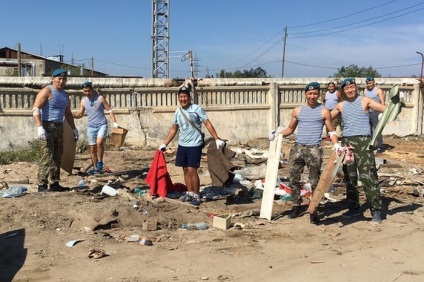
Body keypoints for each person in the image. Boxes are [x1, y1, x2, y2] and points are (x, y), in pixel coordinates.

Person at [269, 82, 342, 224]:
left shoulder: (324, 111)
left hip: (314, 149)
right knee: (293, 179)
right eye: (310, 93)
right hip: (298, 148)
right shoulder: (298, 110)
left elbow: (331, 131)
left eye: (315, 93)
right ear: (305, 94)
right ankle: (296, 205)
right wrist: (277, 134)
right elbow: (290, 129)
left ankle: (314, 210)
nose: (312, 96)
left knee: (315, 181)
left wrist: (336, 144)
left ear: (319, 95)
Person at [331, 78, 386, 224]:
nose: (349, 90)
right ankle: (353, 207)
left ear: (356, 87)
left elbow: (384, 109)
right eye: (346, 88)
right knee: (349, 176)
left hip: (364, 142)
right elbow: (327, 118)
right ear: (343, 91)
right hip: (347, 143)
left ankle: (376, 209)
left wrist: (394, 105)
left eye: (352, 87)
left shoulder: (365, 101)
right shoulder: (341, 105)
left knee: (368, 175)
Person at [159, 84, 225, 206]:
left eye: (185, 96)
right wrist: (164, 144)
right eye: (181, 97)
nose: (183, 99)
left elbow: (207, 123)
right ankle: (189, 193)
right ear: (178, 98)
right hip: (182, 145)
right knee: (184, 170)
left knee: (192, 170)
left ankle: (196, 195)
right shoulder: (178, 112)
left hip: (195, 145)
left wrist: (216, 138)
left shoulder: (196, 109)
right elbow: (174, 129)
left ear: (189, 98)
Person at [32, 68, 79, 192]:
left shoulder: (65, 94)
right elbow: (36, 109)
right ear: (53, 79)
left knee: (58, 156)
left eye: (64, 79)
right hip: (47, 126)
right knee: (47, 155)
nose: (62, 81)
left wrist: (74, 129)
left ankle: (54, 183)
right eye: (59, 78)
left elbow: (68, 113)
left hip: (59, 127)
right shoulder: (47, 91)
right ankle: (41, 184)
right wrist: (39, 127)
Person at [73, 81, 119, 174]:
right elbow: (80, 114)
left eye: (88, 91)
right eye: (85, 91)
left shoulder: (100, 98)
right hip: (91, 126)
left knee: (99, 143)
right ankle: (95, 168)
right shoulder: (83, 101)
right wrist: (72, 115)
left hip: (101, 124)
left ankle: (100, 161)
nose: (87, 93)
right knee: (92, 148)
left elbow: (109, 110)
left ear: (92, 89)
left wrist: (114, 122)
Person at [364, 76, 385, 153]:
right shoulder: (365, 91)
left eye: (370, 83)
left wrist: (382, 113)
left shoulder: (378, 91)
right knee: (368, 129)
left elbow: (382, 102)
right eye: (367, 83)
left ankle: (380, 145)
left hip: (376, 112)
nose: (368, 84)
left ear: (373, 82)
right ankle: (371, 144)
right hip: (368, 112)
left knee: (377, 128)